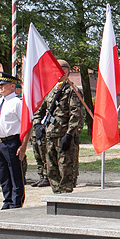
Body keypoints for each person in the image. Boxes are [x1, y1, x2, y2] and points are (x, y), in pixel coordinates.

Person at [35, 60, 84, 194]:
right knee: (51, 168)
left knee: (66, 169)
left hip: (64, 136)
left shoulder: (72, 90)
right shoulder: (51, 90)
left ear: (65, 71)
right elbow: (39, 110)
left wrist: (69, 135)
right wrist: (37, 126)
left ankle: (66, 194)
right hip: (50, 135)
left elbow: (76, 115)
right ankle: (56, 193)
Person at [0, 73, 28, 209]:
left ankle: (16, 202)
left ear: (12, 86)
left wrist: (23, 146)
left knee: (15, 173)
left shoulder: (17, 103)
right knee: (3, 173)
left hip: (12, 142)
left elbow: (26, 125)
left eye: (3, 85)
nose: (0, 87)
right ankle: (7, 199)